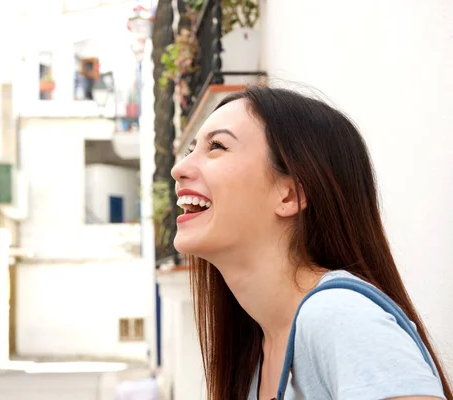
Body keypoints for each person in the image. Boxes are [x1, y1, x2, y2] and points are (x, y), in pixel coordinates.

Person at [170, 86, 452, 400]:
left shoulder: (339, 316)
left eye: (217, 147)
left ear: (290, 195)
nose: (178, 169)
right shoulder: (256, 351)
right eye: (191, 150)